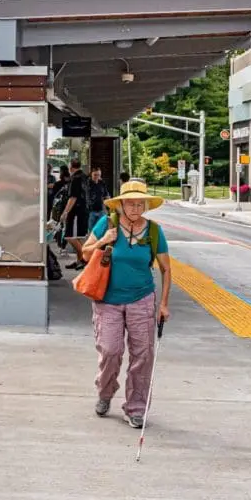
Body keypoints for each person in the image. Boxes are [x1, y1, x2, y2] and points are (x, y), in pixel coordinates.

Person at [80, 179, 172, 429]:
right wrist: (103, 240)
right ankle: (105, 392)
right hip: (107, 300)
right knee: (111, 351)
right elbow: (85, 253)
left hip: (142, 299)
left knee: (143, 355)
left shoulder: (154, 231)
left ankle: (136, 408)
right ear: (120, 205)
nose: (134, 208)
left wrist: (163, 303)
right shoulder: (106, 224)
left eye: (139, 204)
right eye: (130, 204)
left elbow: (166, 268)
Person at [59, 160, 88, 270]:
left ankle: (83, 260)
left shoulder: (75, 178)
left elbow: (73, 197)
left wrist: (65, 213)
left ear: (71, 167)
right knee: (79, 238)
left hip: (76, 212)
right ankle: (79, 260)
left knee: (71, 236)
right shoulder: (84, 177)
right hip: (83, 211)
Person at [85, 166, 110, 230]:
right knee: (91, 231)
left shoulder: (102, 183)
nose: (97, 176)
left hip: (101, 210)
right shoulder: (87, 183)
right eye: (95, 175)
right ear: (91, 174)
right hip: (90, 211)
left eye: (98, 175)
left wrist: (109, 207)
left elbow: (106, 195)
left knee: (100, 230)